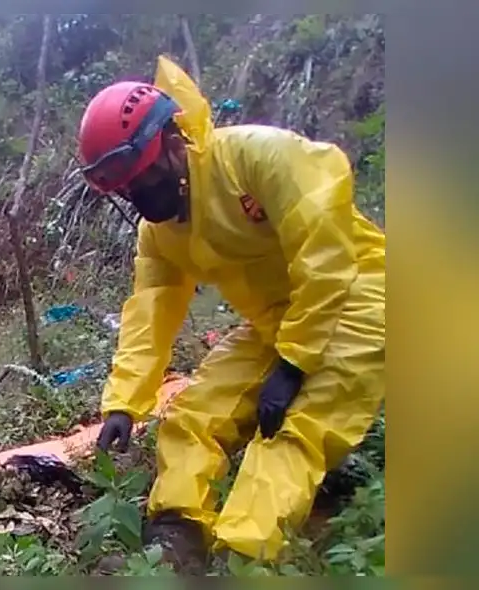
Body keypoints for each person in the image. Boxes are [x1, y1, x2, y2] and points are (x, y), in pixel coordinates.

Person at [80, 56, 385, 570]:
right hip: (275, 320)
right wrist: (123, 404)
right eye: (126, 187)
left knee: (293, 429)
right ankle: (177, 539)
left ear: (172, 141)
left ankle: (243, 559)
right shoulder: (159, 233)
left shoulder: (255, 158)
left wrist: (293, 365)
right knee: (194, 415)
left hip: (359, 296)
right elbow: (150, 312)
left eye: (142, 177)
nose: (138, 194)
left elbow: (328, 256)